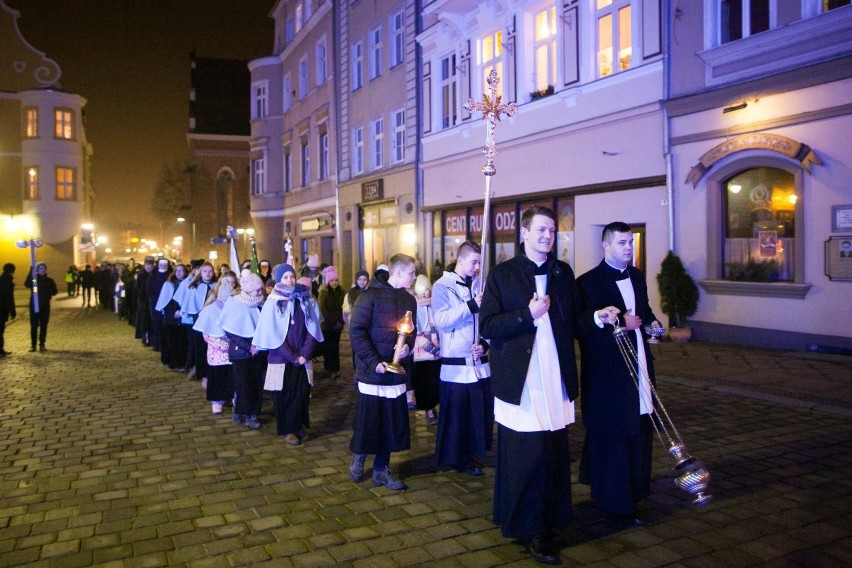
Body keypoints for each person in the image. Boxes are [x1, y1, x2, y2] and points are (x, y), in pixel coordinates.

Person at [479, 206, 580, 565]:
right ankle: (528, 527)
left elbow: (577, 317)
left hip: (554, 374)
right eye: (540, 230)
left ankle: (551, 522)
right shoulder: (503, 275)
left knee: (553, 453)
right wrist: (527, 315)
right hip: (520, 379)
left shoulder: (563, 273)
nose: (547, 236)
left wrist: (600, 317)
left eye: (552, 231)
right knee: (526, 456)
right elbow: (488, 325)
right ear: (523, 233)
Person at [576, 221, 661, 526]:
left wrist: (653, 326)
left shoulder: (637, 276)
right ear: (606, 246)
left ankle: (635, 493)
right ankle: (614, 501)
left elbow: (645, 312)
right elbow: (582, 327)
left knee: (638, 431)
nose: (628, 248)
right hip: (607, 375)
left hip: (639, 365)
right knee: (613, 436)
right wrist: (620, 323)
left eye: (631, 242)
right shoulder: (588, 282)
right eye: (622, 243)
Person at [348, 253, 417, 490]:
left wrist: (407, 348)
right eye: (411, 273)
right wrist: (373, 361)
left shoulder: (409, 300)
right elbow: (356, 332)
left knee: (390, 423)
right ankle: (359, 457)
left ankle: (382, 469)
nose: (414, 277)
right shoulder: (369, 297)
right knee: (368, 421)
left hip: (395, 373)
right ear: (397, 273)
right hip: (372, 372)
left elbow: (411, 332)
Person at [432, 240, 493, 475]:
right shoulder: (442, 286)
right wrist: (470, 305)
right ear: (461, 259)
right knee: (457, 416)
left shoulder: (482, 284)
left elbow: (490, 320)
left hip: (478, 363)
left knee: (478, 413)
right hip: (455, 365)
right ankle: (456, 458)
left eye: (480, 262)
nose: (477, 267)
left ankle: (474, 452)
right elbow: (442, 320)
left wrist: (485, 344)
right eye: (474, 262)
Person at [255, 263, 323, 445]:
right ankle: (288, 429)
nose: (289, 280)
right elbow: (272, 334)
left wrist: (305, 353)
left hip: (302, 357)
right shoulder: (272, 302)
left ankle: (299, 425)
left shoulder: (304, 299)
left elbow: (312, 328)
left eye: (292, 276)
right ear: (278, 280)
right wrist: (292, 356)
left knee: (301, 393)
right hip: (282, 358)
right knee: (283, 395)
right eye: (285, 277)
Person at [219, 270, 266, 429]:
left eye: (261, 289)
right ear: (247, 290)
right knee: (243, 385)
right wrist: (248, 347)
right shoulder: (235, 302)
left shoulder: (260, 303)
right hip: (240, 353)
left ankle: (252, 413)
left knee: (257, 384)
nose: (260, 293)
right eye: (256, 290)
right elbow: (231, 331)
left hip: (259, 352)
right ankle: (244, 411)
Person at [194, 275, 236, 414]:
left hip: (233, 353)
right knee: (217, 379)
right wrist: (223, 345)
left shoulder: (234, 307)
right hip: (217, 354)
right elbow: (207, 334)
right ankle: (217, 402)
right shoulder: (210, 310)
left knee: (232, 378)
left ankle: (232, 398)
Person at [175, 261, 216, 381]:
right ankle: (201, 372)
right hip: (197, 320)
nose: (208, 274)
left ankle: (211, 372)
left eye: (210, 271)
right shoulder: (194, 286)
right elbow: (189, 304)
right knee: (199, 348)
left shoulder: (216, 286)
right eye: (205, 271)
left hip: (212, 321)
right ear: (200, 273)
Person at [411, 275, 441, 426]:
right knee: (424, 382)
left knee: (436, 381)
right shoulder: (414, 306)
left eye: (426, 290)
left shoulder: (435, 304)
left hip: (437, 352)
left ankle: (435, 406)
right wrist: (427, 345)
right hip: (422, 352)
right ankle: (429, 409)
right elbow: (414, 330)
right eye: (421, 291)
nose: (424, 294)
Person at [155, 264, 190, 371]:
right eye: (177, 271)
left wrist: (182, 311)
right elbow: (164, 300)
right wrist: (172, 312)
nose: (179, 273)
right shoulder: (169, 284)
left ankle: (181, 363)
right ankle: (171, 362)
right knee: (171, 341)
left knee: (182, 342)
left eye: (181, 270)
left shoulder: (188, 283)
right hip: (170, 317)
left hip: (183, 316)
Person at [24, 262, 59, 352]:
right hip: (34, 306)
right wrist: (30, 272)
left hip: (45, 306)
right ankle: (33, 345)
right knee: (34, 326)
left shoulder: (49, 280)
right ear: (37, 270)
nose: (42, 270)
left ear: (46, 270)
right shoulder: (34, 280)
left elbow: (55, 291)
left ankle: (42, 344)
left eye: (43, 268)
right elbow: (27, 284)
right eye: (40, 268)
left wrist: (49, 293)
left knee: (43, 326)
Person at [318, 265, 345, 379]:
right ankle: (329, 367)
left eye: (336, 280)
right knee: (328, 347)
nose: (334, 283)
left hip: (337, 324)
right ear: (328, 281)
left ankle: (335, 368)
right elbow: (323, 310)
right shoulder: (324, 293)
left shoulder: (341, 291)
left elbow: (342, 307)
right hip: (327, 325)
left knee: (335, 347)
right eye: (332, 281)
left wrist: (340, 321)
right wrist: (333, 321)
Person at [146, 259, 172, 352]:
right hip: (155, 304)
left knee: (167, 326)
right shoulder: (152, 276)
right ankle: (158, 344)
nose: (163, 266)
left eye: (165, 264)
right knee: (157, 325)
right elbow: (149, 290)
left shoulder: (171, 275)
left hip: (168, 304)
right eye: (161, 264)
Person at [0, 263, 16, 356]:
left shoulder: (1, 279)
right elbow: (9, 297)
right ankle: (0, 349)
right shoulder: (8, 281)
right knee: (1, 329)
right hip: (2, 309)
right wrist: (12, 311)